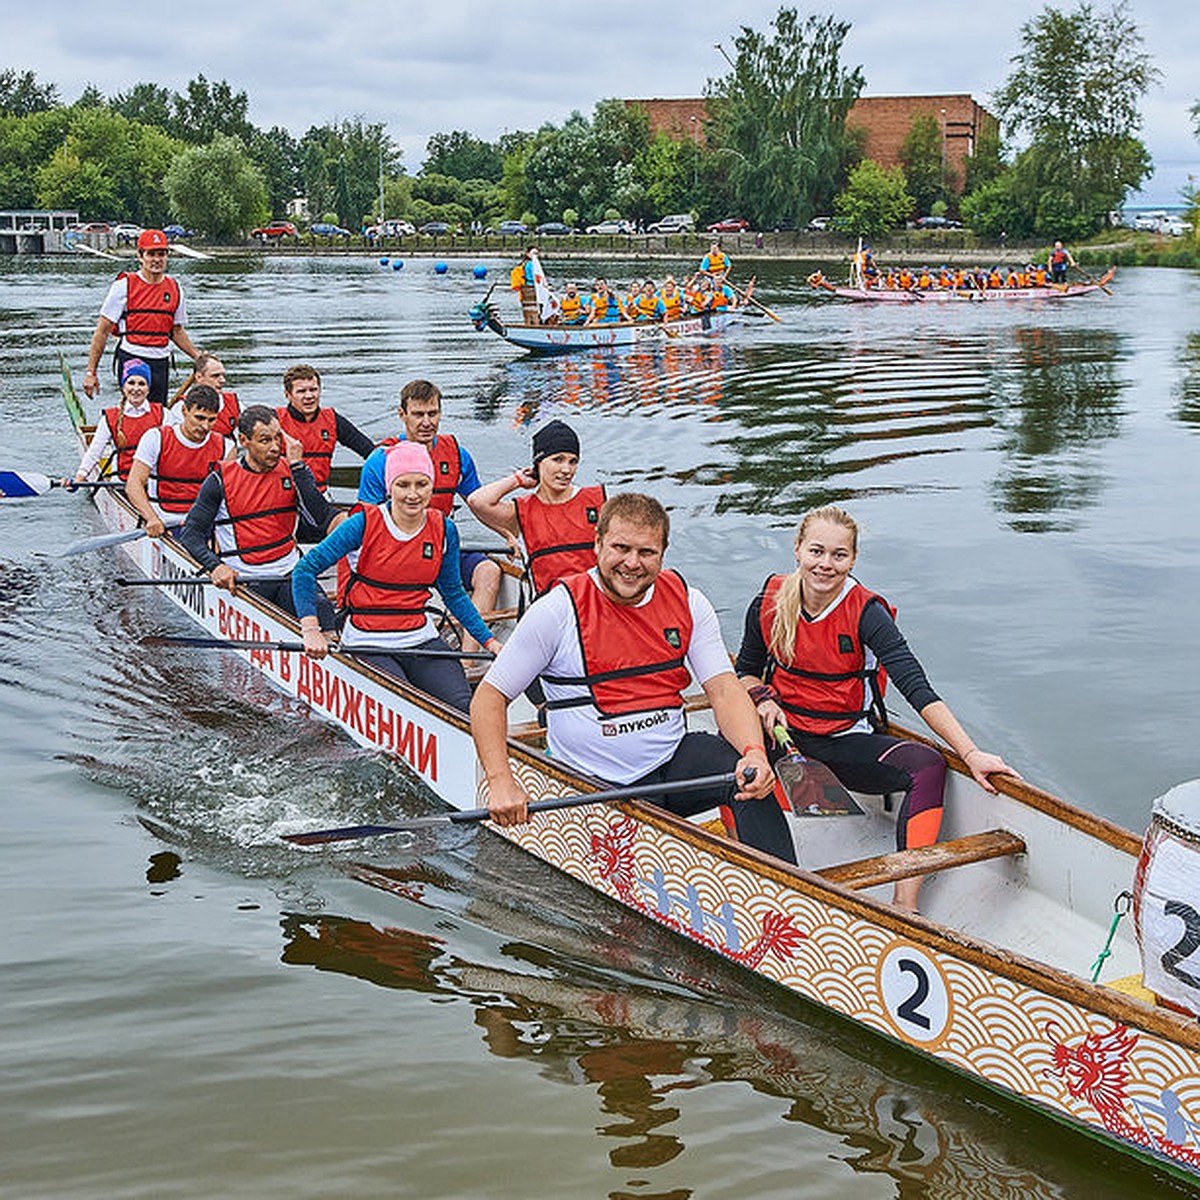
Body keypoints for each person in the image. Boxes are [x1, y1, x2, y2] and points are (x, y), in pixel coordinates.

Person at [470, 492, 797, 865]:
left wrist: (754, 753)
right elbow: (489, 699)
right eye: (620, 548)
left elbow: (724, 689)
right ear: (597, 544)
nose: (631, 563)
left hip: (671, 765)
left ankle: (785, 891)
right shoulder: (558, 610)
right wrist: (500, 781)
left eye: (646, 553)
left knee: (749, 775)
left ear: (662, 553)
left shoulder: (688, 601)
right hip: (591, 782)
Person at [735, 505, 1017, 911]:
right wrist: (762, 699)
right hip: (782, 741)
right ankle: (754, 870)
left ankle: (905, 904)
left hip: (841, 744)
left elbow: (915, 687)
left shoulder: (868, 613)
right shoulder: (769, 601)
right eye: (816, 551)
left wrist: (970, 754)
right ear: (797, 550)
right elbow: (744, 672)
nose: (825, 565)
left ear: (853, 559)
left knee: (928, 766)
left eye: (839, 555)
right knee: (730, 754)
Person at [293, 442, 502, 711]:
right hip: (368, 640)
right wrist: (311, 630)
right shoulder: (363, 524)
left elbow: (454, 594)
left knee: (463, 707)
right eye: (403, 485)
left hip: (420, 637)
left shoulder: (444, 529)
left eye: (421, 484)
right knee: (403, 704)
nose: (413, 494)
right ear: (389, 487)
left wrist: (490, 641)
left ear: (431, 486)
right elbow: (305, 570)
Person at [358, 379, 502, 638]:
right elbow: (364, 524)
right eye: (418, 414)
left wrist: (508, 534)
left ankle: (469, 661)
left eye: (432, 413)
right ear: (402, 415)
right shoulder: (380, 460)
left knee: (489, 571)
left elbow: (479, 503)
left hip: (438, 549)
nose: (426, 422)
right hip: (396, 556)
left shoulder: (457, 455)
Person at [178, 404, 336, 626]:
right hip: (245, 577)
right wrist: (215, 566)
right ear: (244, 441)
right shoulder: (219, 481)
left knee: (326, 621)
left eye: (277, 438)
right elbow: (191, 534)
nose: (274, 447)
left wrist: (298, 466)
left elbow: (319, 518)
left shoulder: (294, 470)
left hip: (290, 571)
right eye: (265, 440)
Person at [468, 418, 606, 598]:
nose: (567, 469)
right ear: (539, 462)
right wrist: (517, 480)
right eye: (558, 460)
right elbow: (477, 501)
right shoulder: (522, 511)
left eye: (573, 461)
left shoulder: (598, 500)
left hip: (596, 603)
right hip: (550, 607)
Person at [82, 229, 199, 406]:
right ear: (140, 256)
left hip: (161, 360)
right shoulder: (124, 286)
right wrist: (91, 373)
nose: (156, 260)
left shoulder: (175, 289)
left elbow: (176, 331)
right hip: (132, 356)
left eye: (161, 254)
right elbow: (102, 331)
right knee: (134, 409)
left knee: (157, 411)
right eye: (151, 254)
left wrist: (198, 356)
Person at [125, 383, 224, 538]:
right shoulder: (156, 438)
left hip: (202, 524)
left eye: (211, 420)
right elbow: (133, 484)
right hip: (164, 522)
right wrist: (151, 518)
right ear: (184, 411)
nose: (205, 426)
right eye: (199, 418)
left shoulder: (225, 446)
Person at [275, 363, 375, 495]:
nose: (309, 396)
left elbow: (369, 451)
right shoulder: (275, 420)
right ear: (288, 395)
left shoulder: (332, 419)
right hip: (283, 495)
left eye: (313, 390)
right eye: (301, 391)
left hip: (320, 494)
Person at [73, 358, 163, 482]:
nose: (136, 388)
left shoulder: (163, 414)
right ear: (123, 387)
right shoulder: (110, 417)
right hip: (122, 480)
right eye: (131, 383)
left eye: (142, 384)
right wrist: (80, 477)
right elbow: (94, 452)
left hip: (153, 480)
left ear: (148, 389)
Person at [167, 350, 240, 440]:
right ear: (199, 377)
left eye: (223, 375)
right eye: (215, 376)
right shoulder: (180, 408)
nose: (222, 380)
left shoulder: (234, 403)